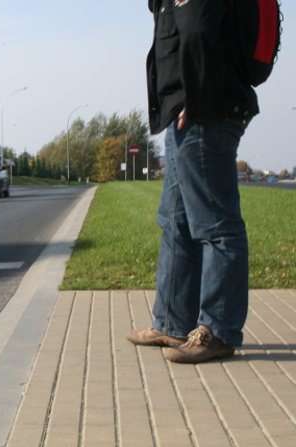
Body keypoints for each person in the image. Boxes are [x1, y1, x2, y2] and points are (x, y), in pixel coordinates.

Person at [127, 0, 258, 363]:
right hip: (186, 113)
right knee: (176, 221)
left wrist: (197, 100)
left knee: (217, 225)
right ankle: (171, 322)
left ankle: (218, 331)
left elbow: (200, 32)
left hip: (205, 113)